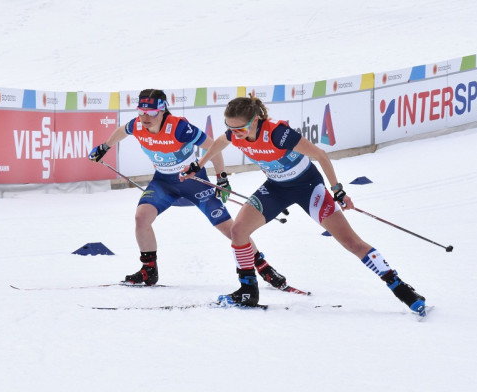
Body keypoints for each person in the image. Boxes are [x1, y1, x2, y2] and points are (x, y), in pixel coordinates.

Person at [181, 96, 427, 313]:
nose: (236, 134)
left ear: (255, 120)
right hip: (276, 188)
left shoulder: (278, 133)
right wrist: (197, 166)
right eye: (231, 128)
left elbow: (319, 155)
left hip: (308, 188)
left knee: (351, 242)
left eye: (241, 129)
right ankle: (248, 290)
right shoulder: (234, 134)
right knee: (238, 231)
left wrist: (337, 190)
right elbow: (220, 143)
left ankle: (401, 288)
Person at [88, 89, 290, 289]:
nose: (145, 117)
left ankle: (264, 268)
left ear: (163, 110)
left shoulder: (179, 128)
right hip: (163, 183)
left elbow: (214, 147)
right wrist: (104, 147)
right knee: (141, 217)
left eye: (151, 113)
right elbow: (122, 131)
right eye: (141, 111)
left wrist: (221, 179)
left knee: (230, 229)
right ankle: (148, 270)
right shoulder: (136, 125)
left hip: (194, 184)